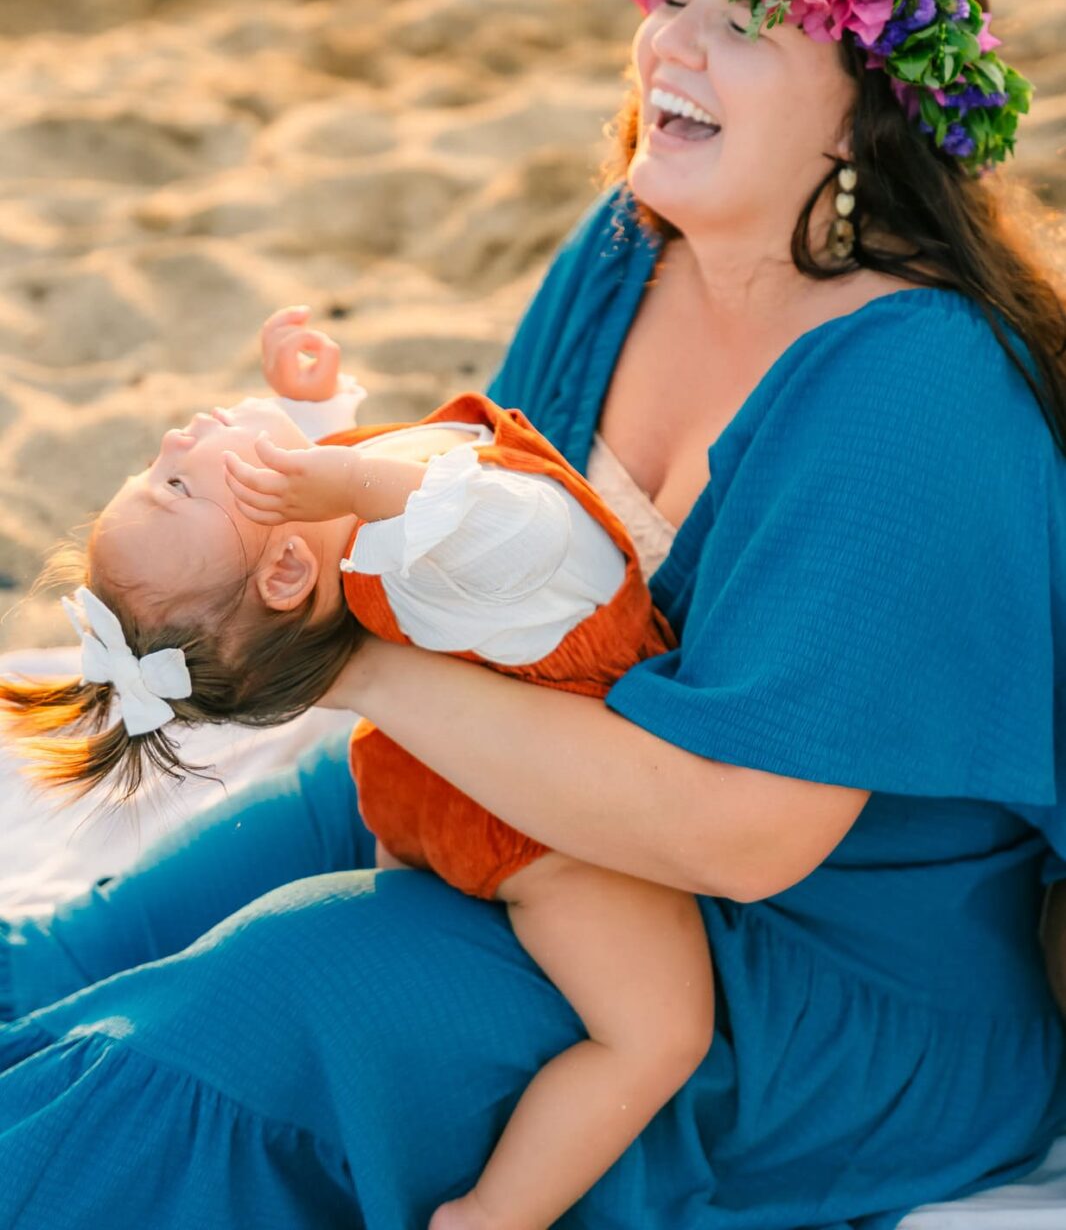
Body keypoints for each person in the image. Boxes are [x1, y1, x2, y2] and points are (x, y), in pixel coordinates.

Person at [1, 0, 1065, 1230]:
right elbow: (463, 531)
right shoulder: (630, 248)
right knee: (75, 956)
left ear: (865, 106)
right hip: (533, 793)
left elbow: (743, 838)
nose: (669, 45)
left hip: (814, 974)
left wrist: (358, 667)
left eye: (745, 19)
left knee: (268, 1002)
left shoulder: (917, 387)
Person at [3, 302, 710, 1230]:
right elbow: (517, 525)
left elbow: (333, 528)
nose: (173, 438)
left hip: (411, 774)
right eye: (176, 484)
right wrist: (337, 469)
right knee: (658, 1034)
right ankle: (495, 1213)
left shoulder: (340, 540)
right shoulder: (468, 549)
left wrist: (314, 417)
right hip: (533, 830)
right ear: (289, 570)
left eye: (155, 472)